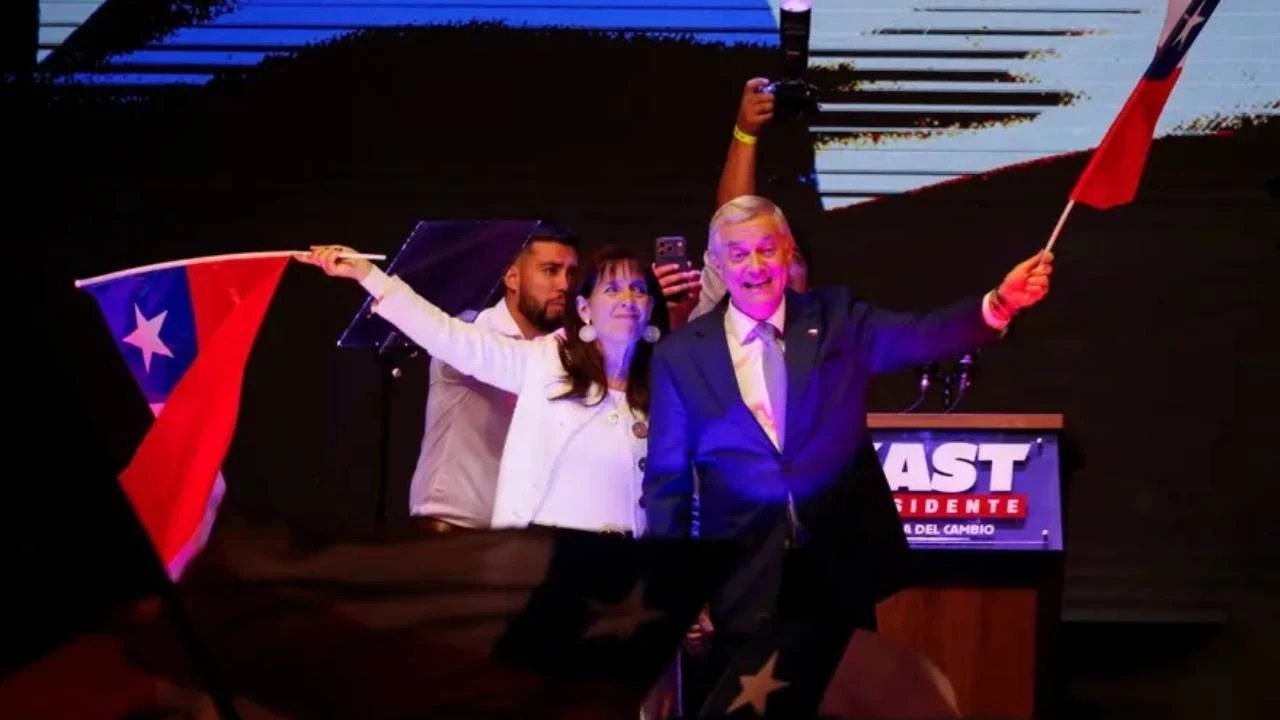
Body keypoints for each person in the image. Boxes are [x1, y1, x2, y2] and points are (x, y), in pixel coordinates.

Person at [642, 195, 1053, 714]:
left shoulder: (837, 318)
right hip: (740, 578)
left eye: (767, 249)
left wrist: (997, 304)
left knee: (844, 703)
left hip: (835, 567)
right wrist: (676, 590)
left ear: (788, 252)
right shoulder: (682, 354)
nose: (755, 266)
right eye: (739, 254)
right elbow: (668, 483)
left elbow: (921, 334)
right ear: (718, 265)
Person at [300, 243, 672, 535]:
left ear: (651, 306)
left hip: (629, 571)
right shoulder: (542, 363)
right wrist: (369, 276)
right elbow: (447, 336)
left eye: (638, 290)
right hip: (548, 563)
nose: (627, 301)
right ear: (584, 308)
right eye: (612, 289)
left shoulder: (667, 383)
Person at [408, 226, 579, 532]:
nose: (565, 285)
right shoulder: (472, 331)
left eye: (571, 273)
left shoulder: (560, 350)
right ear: (512, 277)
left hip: (516, 532)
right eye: (550, 271)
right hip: (452, 525)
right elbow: (496, 357)